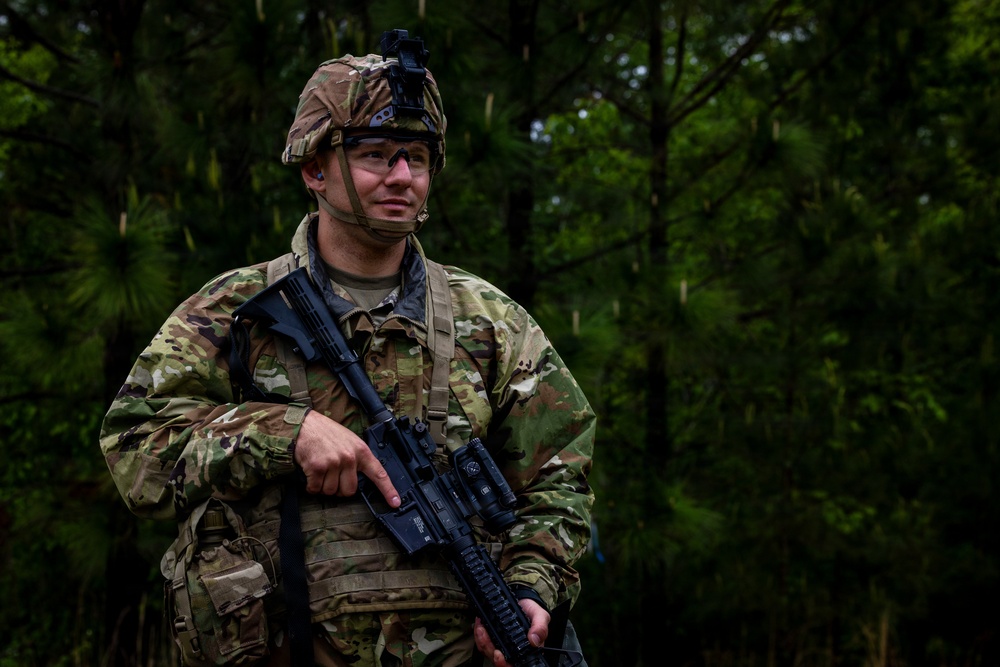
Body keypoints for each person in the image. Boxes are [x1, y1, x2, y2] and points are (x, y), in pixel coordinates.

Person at [99, 31, 595, 667]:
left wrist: (532, 586)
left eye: (416, 157)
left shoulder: (491, 321)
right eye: (376, 155)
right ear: (314, 169)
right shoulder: (235, 311)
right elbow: (135, 450)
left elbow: (560, 474)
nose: (402, 177)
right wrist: (285, 432)